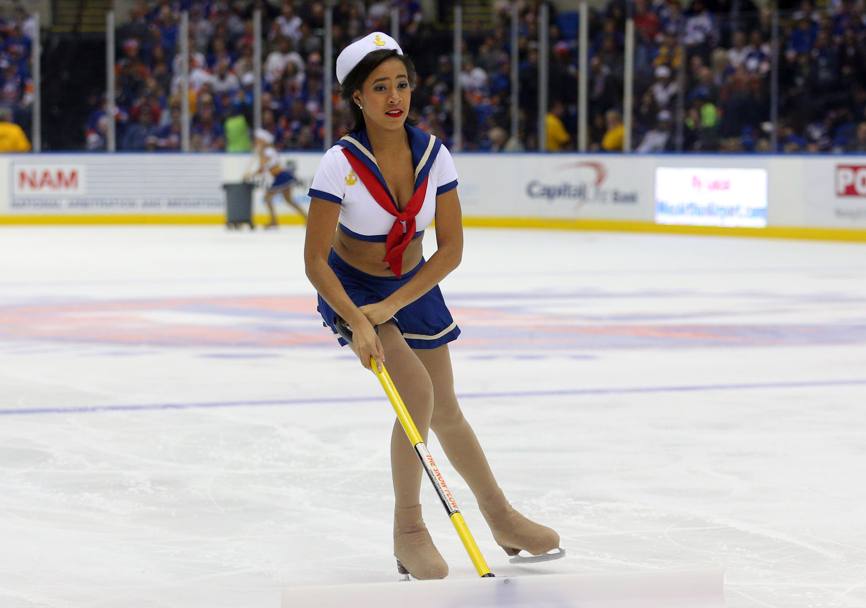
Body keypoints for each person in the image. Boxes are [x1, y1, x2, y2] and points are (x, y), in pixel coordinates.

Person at [303, 32, 560, 580]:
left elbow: (452, 249)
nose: (394, 97)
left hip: (412, 288)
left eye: (401, 84)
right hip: (352, 290)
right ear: (357, 98)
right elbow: (316, 264)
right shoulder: (339, 164)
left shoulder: (434, 156)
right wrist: (358, 320)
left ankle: (501, 518)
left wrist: (393, 304)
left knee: (446, 410)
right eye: (379, 87)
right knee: (415, 393)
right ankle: (409, 531)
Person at [245, 128, 305, 227]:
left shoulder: (268, 151)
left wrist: (251, 174)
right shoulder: (267, 151)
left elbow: (263, 167)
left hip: (281, 176)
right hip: (281, 176)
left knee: (267, 197)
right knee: (288, 200)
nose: (256, 141)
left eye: (258, 140)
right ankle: (305, 218)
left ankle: (274, 221)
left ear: (263, 141)